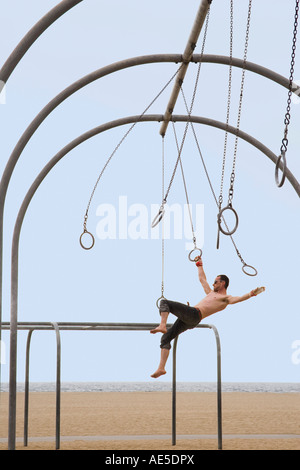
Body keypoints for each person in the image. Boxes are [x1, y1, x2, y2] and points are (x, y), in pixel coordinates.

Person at [150, 257, 264, 378]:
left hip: (195, 314)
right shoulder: (210, 293)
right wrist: (199, 264)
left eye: (215, 281)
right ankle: (161, 368)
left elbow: (239, 298)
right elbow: (202, 279)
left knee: (164, 303)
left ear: (222, 283)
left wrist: (252, 293)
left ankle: (162, 325)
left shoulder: (225, 298)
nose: (213, 283)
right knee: (165, 338)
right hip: (191, 320)